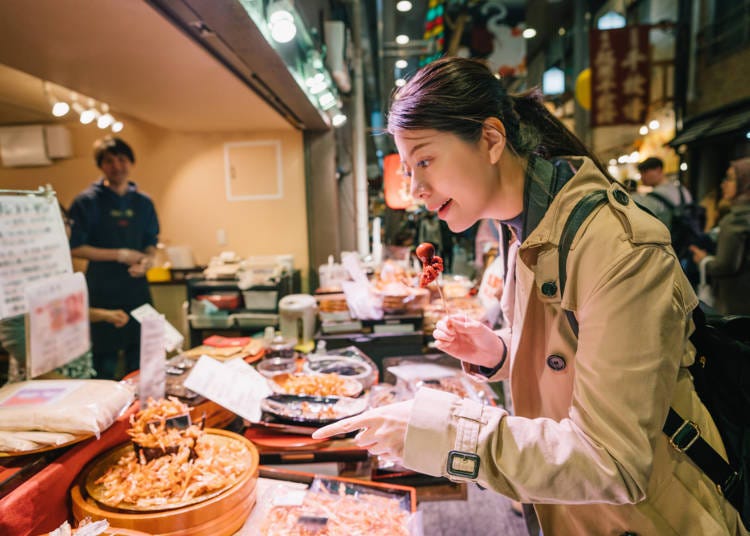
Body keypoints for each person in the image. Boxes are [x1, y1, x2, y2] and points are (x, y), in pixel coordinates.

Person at [313, 58, 747, 535]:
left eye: (425, 160)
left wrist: (442, 431)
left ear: (492, 140)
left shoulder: (617, 247)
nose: (415, 188)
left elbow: (612, 460)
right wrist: (500, 350)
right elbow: (577, 353)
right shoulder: (526, 229)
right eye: (408, 168)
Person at [68, 137, 160, 380]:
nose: (117, 166)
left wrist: (148, 261)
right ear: (101, 166)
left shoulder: (143, 202)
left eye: (122, 159)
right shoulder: (87, 201)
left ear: (131, 162)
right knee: (104, 364)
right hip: (102, 291)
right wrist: (119, 255)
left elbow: (151, 242)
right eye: (109, 161)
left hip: (137, 289)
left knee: (142, 360)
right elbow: (75, 247)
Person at [690, 158, 750, 315]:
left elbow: (724, 266)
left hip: (737, 304)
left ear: (746, 182)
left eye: (730, 179)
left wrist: (703, 260)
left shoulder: (736, 219)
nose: (723, 184)